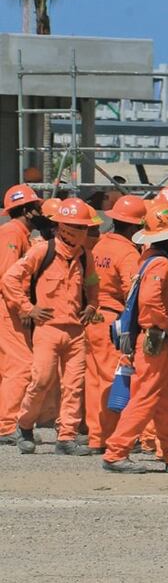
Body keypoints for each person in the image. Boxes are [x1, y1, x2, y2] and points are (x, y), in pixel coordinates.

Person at [3, 198, 100, 456]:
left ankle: (66, 437)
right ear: (64, 227)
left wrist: (92, 305)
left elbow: (92, 283)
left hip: (75, 332)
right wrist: (28, 308)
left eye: (84, 227)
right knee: (41, 380)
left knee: (73, 385)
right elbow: (10, 279)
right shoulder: (41, 251)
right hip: (48, 330)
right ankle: (24, 426)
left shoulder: (85, 256)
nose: (84, 232)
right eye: (80, 227)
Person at [101, 206, 168, 473]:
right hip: (157, 340)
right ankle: (116, 452)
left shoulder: (149, 258)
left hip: (157, 339)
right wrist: (162, 327)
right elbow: (150, 300)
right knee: (145, 397)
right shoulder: (161, 263)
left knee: (163, 399)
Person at [85, 195, 144, 453]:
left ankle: (96, 437)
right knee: (114, 379)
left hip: (93, 318)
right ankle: (112, 437)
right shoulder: (128, 252)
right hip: (114, 321)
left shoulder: (100, 245)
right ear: (134, 227)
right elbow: (132, 292)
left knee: (94, 380)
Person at [0, 185, 47, 445]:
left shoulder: (20, 234)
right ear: (28, 211)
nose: (41, 211)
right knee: (20, 366)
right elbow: (8, 278)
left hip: (9, 306)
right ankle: (7, 425)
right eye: (37, 207)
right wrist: (23, 307)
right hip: (8, 308)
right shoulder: (12, 233)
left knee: (10, 366)